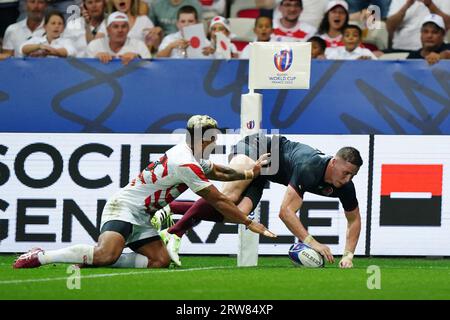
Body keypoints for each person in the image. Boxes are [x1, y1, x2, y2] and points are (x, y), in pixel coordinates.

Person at [13, 115, 276, 269]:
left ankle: (91, 259)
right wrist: (248, 222)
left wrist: (248, 173)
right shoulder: (185, 162)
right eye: (214, 138)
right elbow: (217, 198)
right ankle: (41, 256)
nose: (215, 142)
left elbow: (219, 172)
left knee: (159, 261)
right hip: (125, 208)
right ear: (206, 139)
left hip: (142, 215)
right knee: (107, 254)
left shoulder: (190, 156)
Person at [154, 133, 363, 269]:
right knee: (229, 198)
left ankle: (168, 209)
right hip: (257, 147)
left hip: (265, 173)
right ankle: (174, 233)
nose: (347, 179)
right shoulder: (310, 167)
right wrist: (312, 243)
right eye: (345, 173)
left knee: (235, 214)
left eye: (352, 175)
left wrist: (348, 255)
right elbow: (285, 212)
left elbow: (354, 220)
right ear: (334, 163)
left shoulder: (345, 186)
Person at [86, 11, 151, 65]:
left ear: (128, 29)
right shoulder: (95, 45)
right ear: (108, 30)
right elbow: (84, 69)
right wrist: (95, 58)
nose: (120, 30)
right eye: (115, 26)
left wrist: (138, 58)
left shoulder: (139, 46)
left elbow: (151, 69)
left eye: (123, 26)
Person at [386, 0, 450, 52]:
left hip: (434, 50)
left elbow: (448, 24)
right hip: (401, 49)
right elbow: (389, 27)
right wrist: (407, 5)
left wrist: (430, 4)